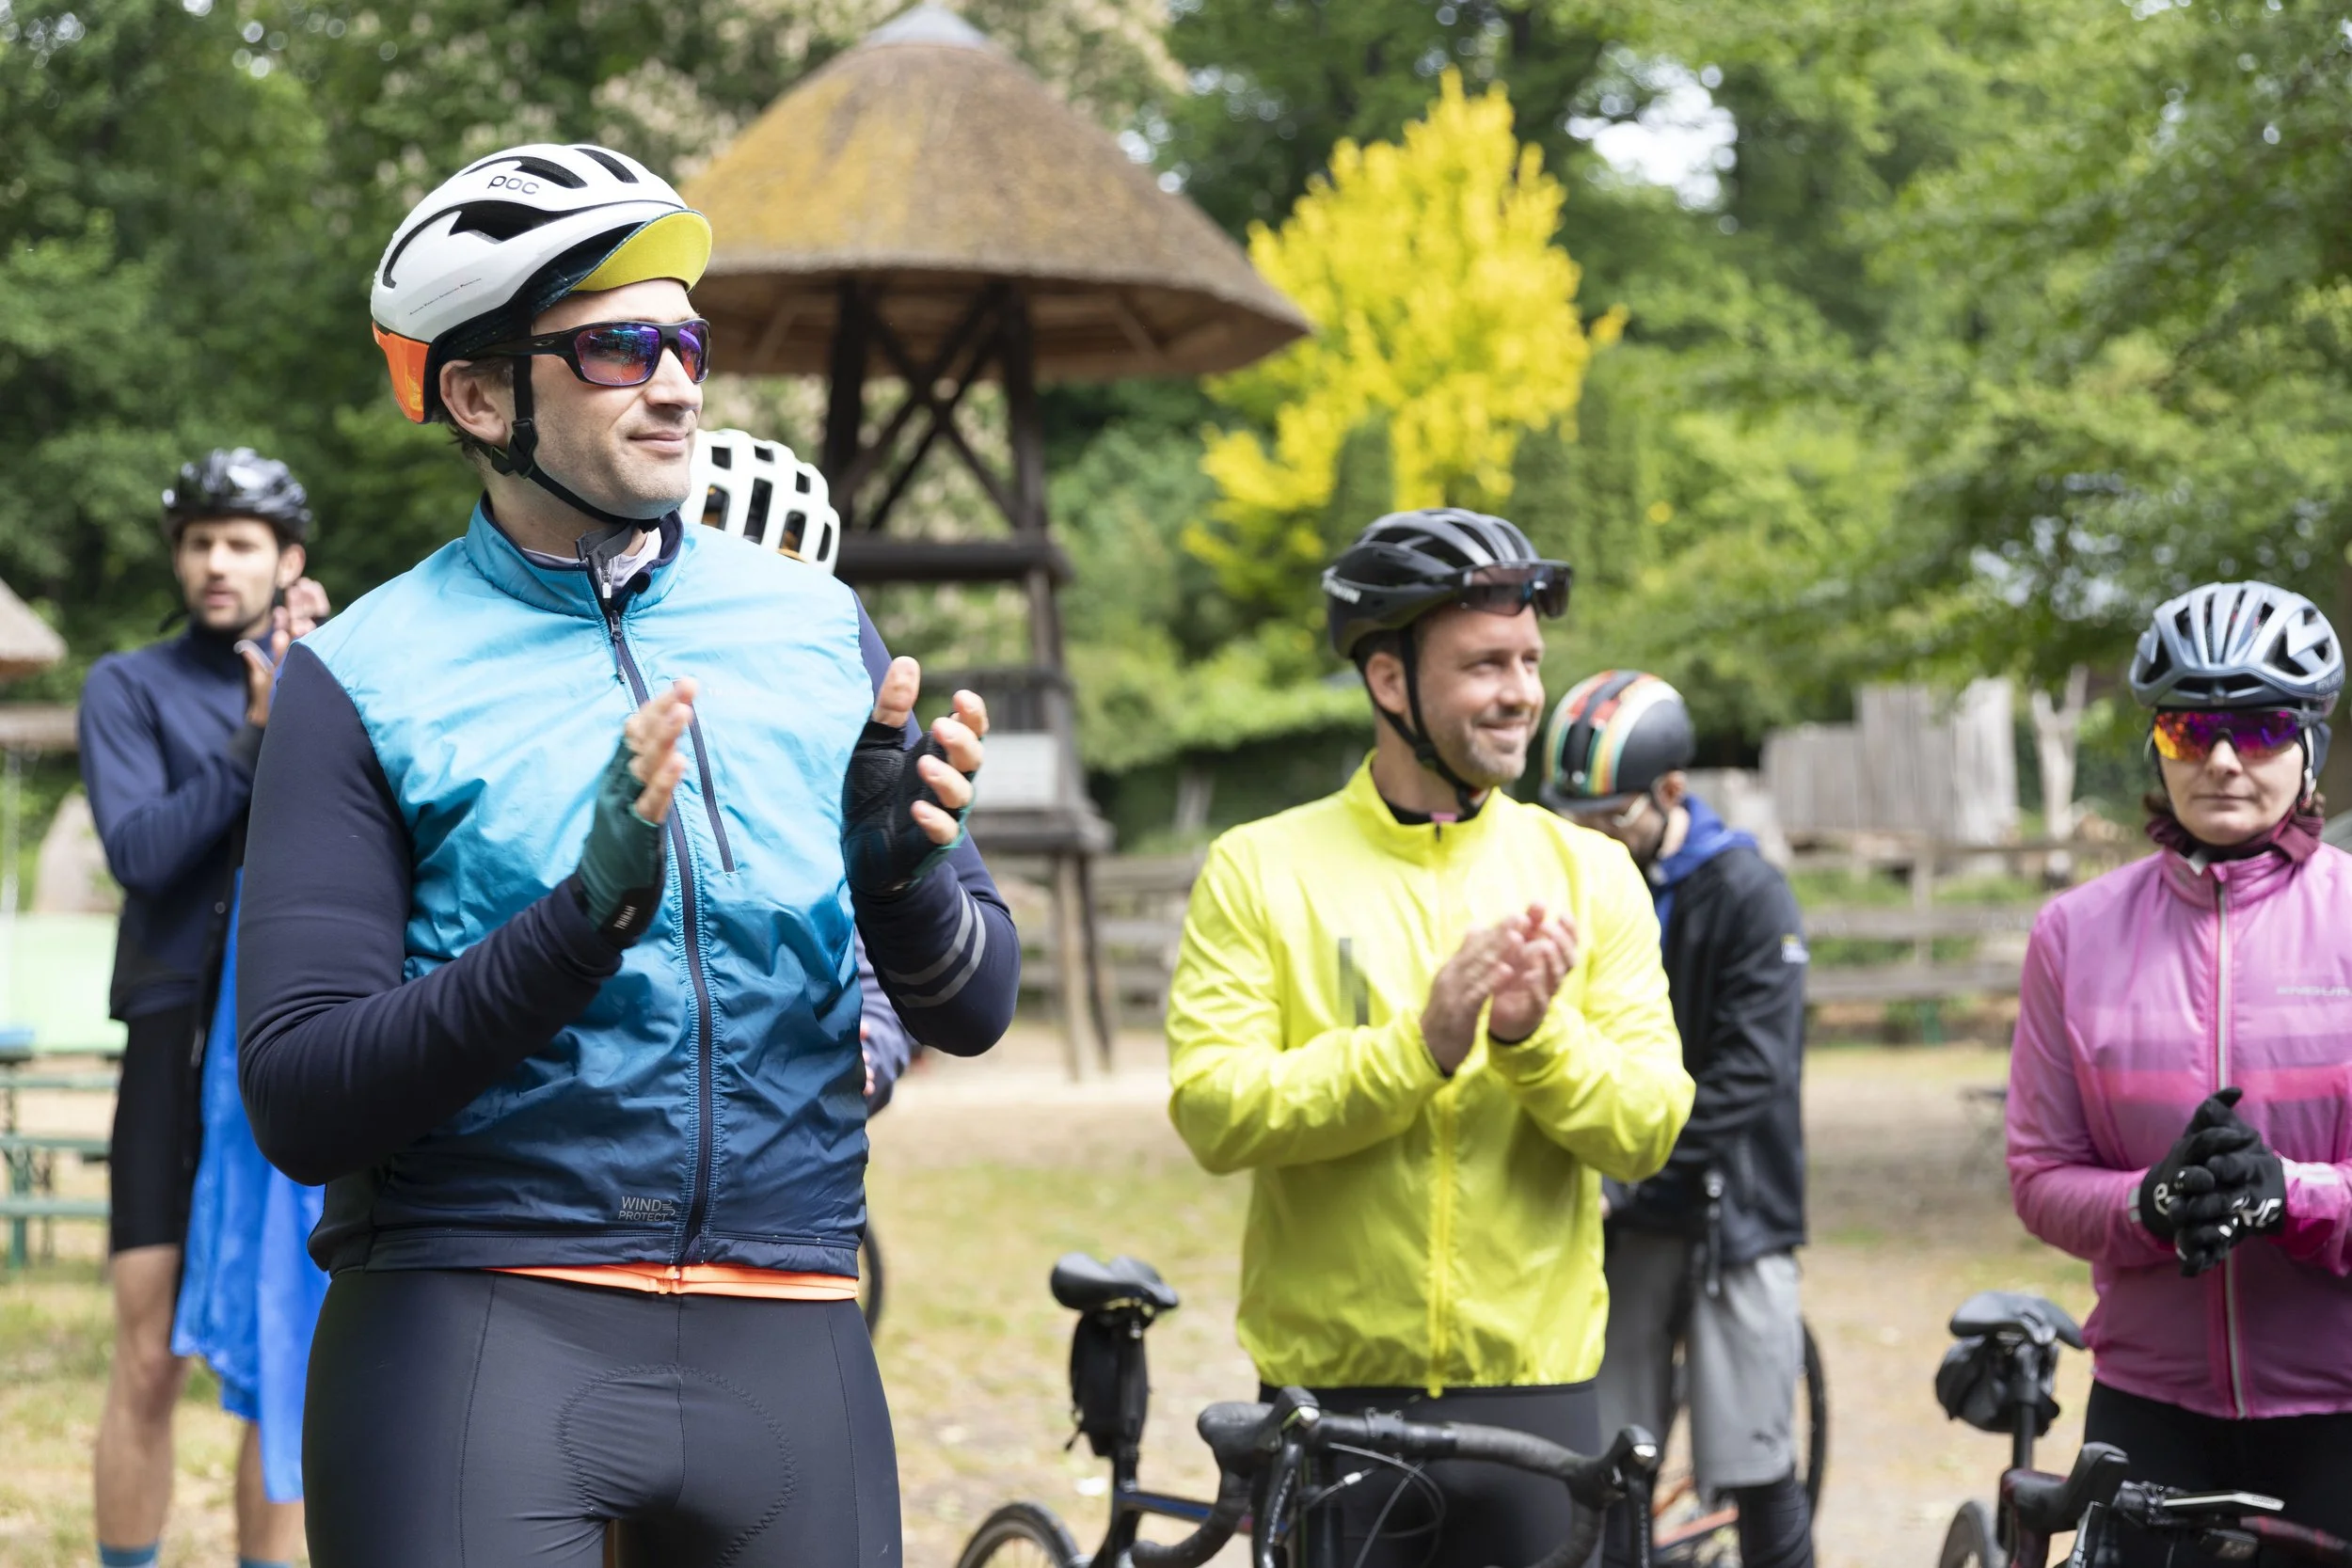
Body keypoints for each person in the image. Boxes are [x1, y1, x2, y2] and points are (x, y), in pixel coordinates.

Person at [232, 142, 1019, 1568]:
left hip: (791, 1317)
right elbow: (300, 1093)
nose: (676, 380)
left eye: (687, 340)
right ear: (478, 395)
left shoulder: (814, 624)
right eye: (615, 346)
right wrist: (580, 919)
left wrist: (903, 890)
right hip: (474, 1323)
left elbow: (974, 1002)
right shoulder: (363, 676)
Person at [1163, 510, 1693, 1568]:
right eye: (1483, 663)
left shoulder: (1590, 872)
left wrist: (1536, 1041)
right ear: (1389, 681)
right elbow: (1215, 1108)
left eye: (1531, 660)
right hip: (1332, 1398)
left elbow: (1648, 1125)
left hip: (1537, 1391)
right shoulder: (1260, 867)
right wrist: (1422, 1044)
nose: (1521, 692)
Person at [2008, 580, 2352, 1559]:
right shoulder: (2072, 934)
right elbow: (2039, 1175)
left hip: (2340, 1404)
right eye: (2190, 727)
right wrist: (2144, 1205)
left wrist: (2292, 1193)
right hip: (2150, 1404)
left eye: (2260, 724)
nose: (2223, 759)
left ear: (2308, 743)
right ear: (2157, 742)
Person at [77, 448, 327, 1568]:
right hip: (173, 1038)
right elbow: (141, 852)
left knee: (283, 1355)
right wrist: (253, 736)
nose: (217, 562)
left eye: (241, 542)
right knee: (147, 1352)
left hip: (287, 1036)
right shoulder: (128, 686)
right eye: (199, 541)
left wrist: (309, 701)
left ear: (289, 561)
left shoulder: (330, 675)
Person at [1539, 672, 1814, 1568]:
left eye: (1611, 818)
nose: (1593, 842)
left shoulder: (1747, 893)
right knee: (1619, 1459)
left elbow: (1751, 1074)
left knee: (1759, 1465)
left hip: (1736, 1214)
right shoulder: (1577, 892)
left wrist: (1635, 1164)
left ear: (1669, 792)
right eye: (1575, 823)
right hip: (1630, 1220)